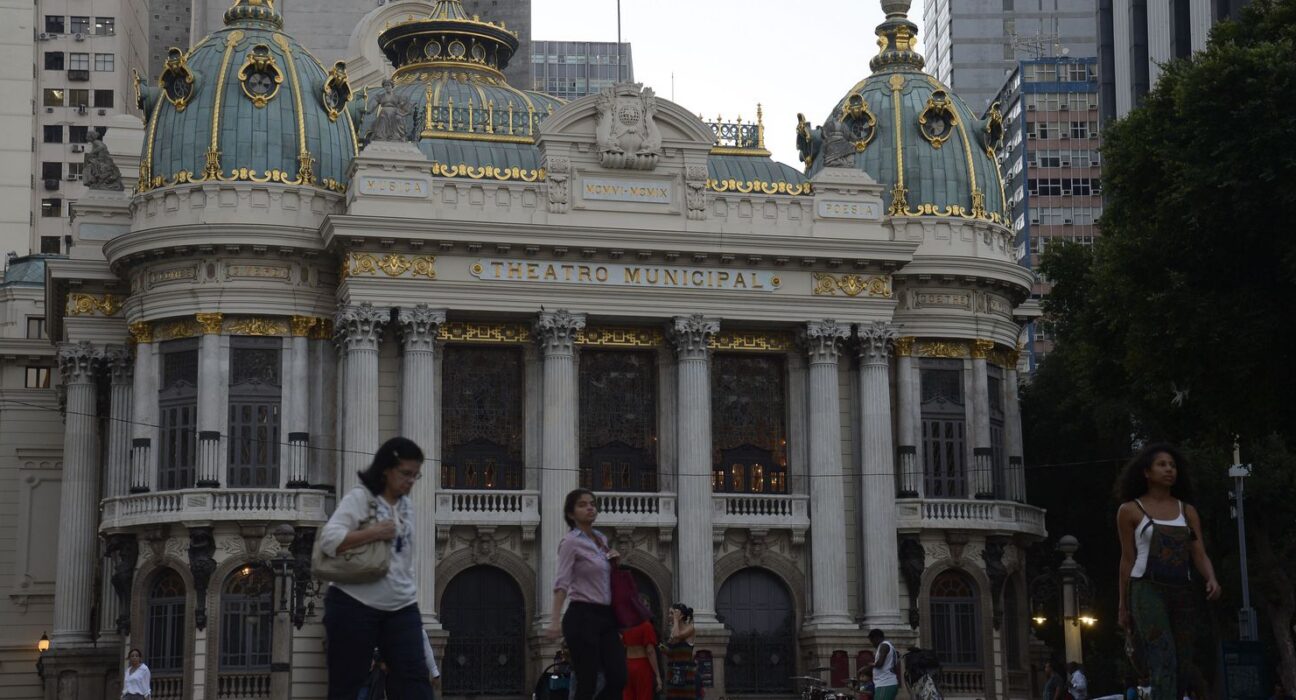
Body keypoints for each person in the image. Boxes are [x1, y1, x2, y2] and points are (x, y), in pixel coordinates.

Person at [319, 437, 435, 700]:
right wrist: (373, 533)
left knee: (415, 681)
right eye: (406, 473)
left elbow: (404, 558)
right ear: (386, 469)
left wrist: (411, 598)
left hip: (400, 606)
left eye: (415, 475)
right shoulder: (360, 498)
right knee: (346, 686)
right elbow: (328, 540)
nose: (411, 481)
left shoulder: (406, 507)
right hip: (354, 603)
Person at [1116, 443, 1221, 700]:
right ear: (1146, 472)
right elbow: (1127, 559)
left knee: (1183, 661)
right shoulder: (1130, 510)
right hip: (1146, 588)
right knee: (1162, 656)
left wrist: (1211, 578)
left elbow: (1198, 552)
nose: (1169, 470)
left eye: (1172, 465)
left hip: (1182, 589)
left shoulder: (1187, 511)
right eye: (1162, 465)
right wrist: (1123, 606)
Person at [545, 489, 627, 700]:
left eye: (592, 503)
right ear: (571, 513)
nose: (590, 507)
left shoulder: (601, 539)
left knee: (618, 677)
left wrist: (613, 562)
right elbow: (562, 582)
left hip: (606, 616)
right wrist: (554, 620)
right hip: (582, 616)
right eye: (582, 505)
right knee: (587, 681)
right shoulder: (570, 542)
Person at [664, 603, 699, 699]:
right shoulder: (674, 630)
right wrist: (661, 647)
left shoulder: (690, 628)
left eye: (672, 613)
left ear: (681, 615)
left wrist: (675, 620)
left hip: (686, 676)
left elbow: (677, 636)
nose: (669, 616)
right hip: (673, 675)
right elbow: (669, 652)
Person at [621, 618, 661, 700]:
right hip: (642, 665)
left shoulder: (626, 625)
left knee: (628, 696)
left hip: (628, 664)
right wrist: (657, 674)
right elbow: (650, 651)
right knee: (644, 696)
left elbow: (623, 645)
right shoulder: (646, 626)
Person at [869, 629, 900, 700]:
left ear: (876, 638)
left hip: (885, 683)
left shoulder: (884, 646)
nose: (872, 644)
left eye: (872, 641)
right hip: (887, 682)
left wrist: (870, 665)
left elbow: (880, 663)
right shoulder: (889, 646)